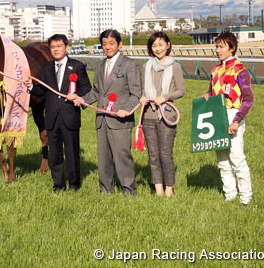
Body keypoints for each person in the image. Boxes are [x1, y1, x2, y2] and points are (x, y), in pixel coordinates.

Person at [71, 29, 141, 195]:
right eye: (104, 44)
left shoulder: (130, 64)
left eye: (111, 43)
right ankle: (105, 190)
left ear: (119, 44)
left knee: (122, 157)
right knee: (103, 158)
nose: (107, 47)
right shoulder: (101, 64)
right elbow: (97, 91)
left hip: (120, 120)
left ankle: (129, 191)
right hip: (102, 119)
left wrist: (127, 109)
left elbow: (136, 93)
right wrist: (82, 99)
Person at [24, 34, 91, 191]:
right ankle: (58, 185)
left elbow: (86, 88)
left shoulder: (77, 66)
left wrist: (78, 96)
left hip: (70, 116)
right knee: (54, 154)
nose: (55, 50)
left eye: (59, 46)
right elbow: (42, 91)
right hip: (52, 117)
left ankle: (74, 184)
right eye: (52, 47)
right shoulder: (46, 68)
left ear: (66, 47)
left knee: (72, 153)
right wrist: (31, 87)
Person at [204, 30, 253, 205]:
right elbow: (212, 92)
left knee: (237, 158)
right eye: (216, 46)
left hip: (233, 115)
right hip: (217, 115)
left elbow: (248, 100)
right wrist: (207, 96)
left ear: (231, 48)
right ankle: (230, 194)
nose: (217, 50)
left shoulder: (241, 69)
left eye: (221, 47)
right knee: (223, 159)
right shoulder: (215, 70)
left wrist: (236, 120)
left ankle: (246, 196)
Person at [139, 32, 184, 197]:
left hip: (167, 115)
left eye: (160, 44)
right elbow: (140, 88)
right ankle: (158, 190)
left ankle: (169, 190)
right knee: (153, 155)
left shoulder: (175, 66)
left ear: (168, 45)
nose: (157, 49)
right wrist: (142, 97)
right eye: (154, 45)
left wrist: (166, 97)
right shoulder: (145, 66)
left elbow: (181, 90)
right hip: (148, 116)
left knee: (165, 154)